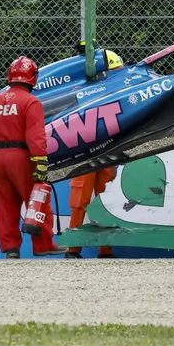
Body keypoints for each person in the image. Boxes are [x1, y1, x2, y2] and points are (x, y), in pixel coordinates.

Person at [0, 55, 68, 259]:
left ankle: (11, 249)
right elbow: (35, 135)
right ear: (33, 77)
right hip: (22, 157)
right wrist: (41, 162)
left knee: (5, 205)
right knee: (38, 199)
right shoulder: (31, 102)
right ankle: (43, 245)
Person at [65, 48, 125, 259]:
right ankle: (73, 249)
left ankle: (105, 249)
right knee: (80, 200)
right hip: (86, 151)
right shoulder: (81, 89)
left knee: (106, 199)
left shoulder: (116, 91)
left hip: (105, 150)